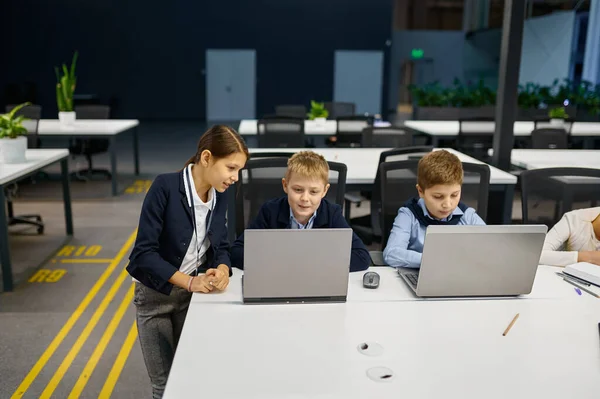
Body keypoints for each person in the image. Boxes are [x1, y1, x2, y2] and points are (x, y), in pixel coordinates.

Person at [127, 125, 248, 399]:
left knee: (193, 375)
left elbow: (221, 243)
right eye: (231, 168)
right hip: (156, 297)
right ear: (206, 158)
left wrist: (223, 268)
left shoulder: (223, 192)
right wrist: (190, 281)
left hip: (194, 297)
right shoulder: (165, 187)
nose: (235, 177)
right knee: (165, 386)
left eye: (238, 170)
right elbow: (143, 254)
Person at [230, 150, 371, 272]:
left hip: (316, 280)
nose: (305, 198)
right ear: (285, 185)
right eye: (298, 190)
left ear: (324, 191)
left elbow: (362, 257)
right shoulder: (270, 211)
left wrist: (310, 264)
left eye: (314, 192)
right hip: (279, 277)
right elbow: (237, 252)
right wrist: (283, 263)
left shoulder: (331, 213)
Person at [383, 150, 485, 268]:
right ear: (421, 191)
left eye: (454, 195)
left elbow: (490, 247)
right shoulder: (408, 215)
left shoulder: (467, 215)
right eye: (438, 197)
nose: (447, 204)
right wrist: (437, 260)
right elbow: (391, 254)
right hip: (420, 275)